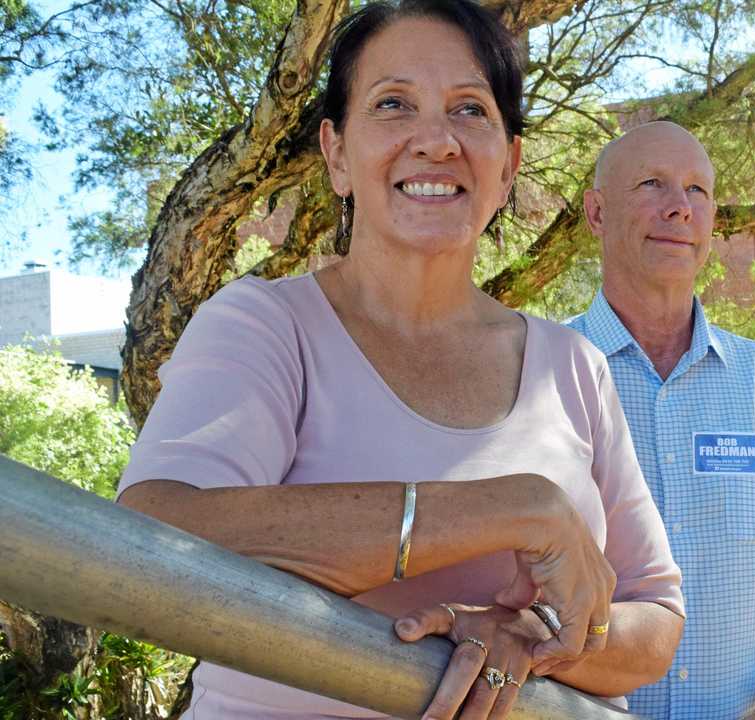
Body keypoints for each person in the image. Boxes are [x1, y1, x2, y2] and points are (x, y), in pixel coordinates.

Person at [115, 2, 684, 718]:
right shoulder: (264, 324)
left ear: (507, 167)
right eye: (393, 104)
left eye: (470, 110)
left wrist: (535, 637)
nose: (436, 141)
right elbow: (149, 547)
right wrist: (513, 509)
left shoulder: (572, 366)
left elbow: (655, 619)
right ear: (336, 153)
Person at [566, 121, 755, 720]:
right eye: (653, 184)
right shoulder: (538, 373)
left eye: (698, 191)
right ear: (596, 213)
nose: (680, 209)